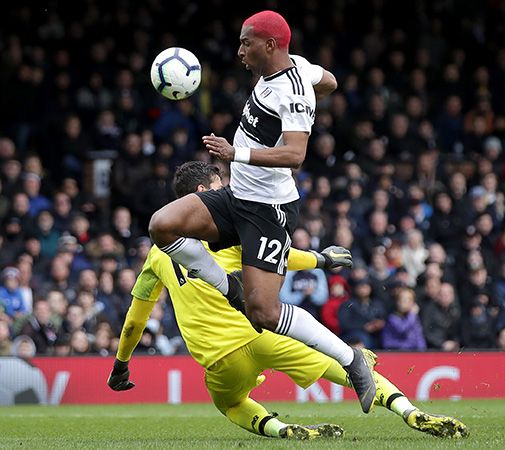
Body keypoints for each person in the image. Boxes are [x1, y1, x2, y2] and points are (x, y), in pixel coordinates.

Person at [109, 161, 467, 440]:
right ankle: (409, 411)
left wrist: (122, 363)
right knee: (346, 367)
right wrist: (321, 259)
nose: (228, 193)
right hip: (264, 332)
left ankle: (280, 430)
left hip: (219, 359)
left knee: (231, 404)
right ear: (202, 192)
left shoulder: (157, 254)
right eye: (220, 187)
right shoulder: (227, 228)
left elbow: (135, 319)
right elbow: (279, 254)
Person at [147, 10, 376, 412]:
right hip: (238, 197)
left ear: (269, 45)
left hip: (267, 211)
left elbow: (296, 155)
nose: (239, 51)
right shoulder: (297, 70)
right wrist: (313, 82)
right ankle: (227, 285)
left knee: (265, 314)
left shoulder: (292, 92)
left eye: (245, 43)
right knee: (162, 226)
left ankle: (350, 359)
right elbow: (332, 81)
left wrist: (237, 152)